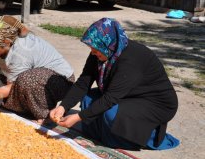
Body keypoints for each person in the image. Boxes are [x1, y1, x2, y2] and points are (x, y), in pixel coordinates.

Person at [49, 18, 179, 150]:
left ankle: (141, 137)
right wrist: (63, 107)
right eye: (91, 49)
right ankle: (107, 133)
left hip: (155, 103)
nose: (93, 53)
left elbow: (110, 98)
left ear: (108, 43)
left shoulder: (132, 59)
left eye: (95, 49)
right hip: (127, 94)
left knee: (110, 113)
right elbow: (83, 83)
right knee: (88, 100)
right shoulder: (101, 51)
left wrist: (79, 117)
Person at [0, 15, 75, 123]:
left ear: (7, 42)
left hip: (60, 82)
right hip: (29, 78)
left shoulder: (21, 51)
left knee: (27, 80)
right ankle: (18, 104)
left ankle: (43, 114)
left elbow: (13, 86)